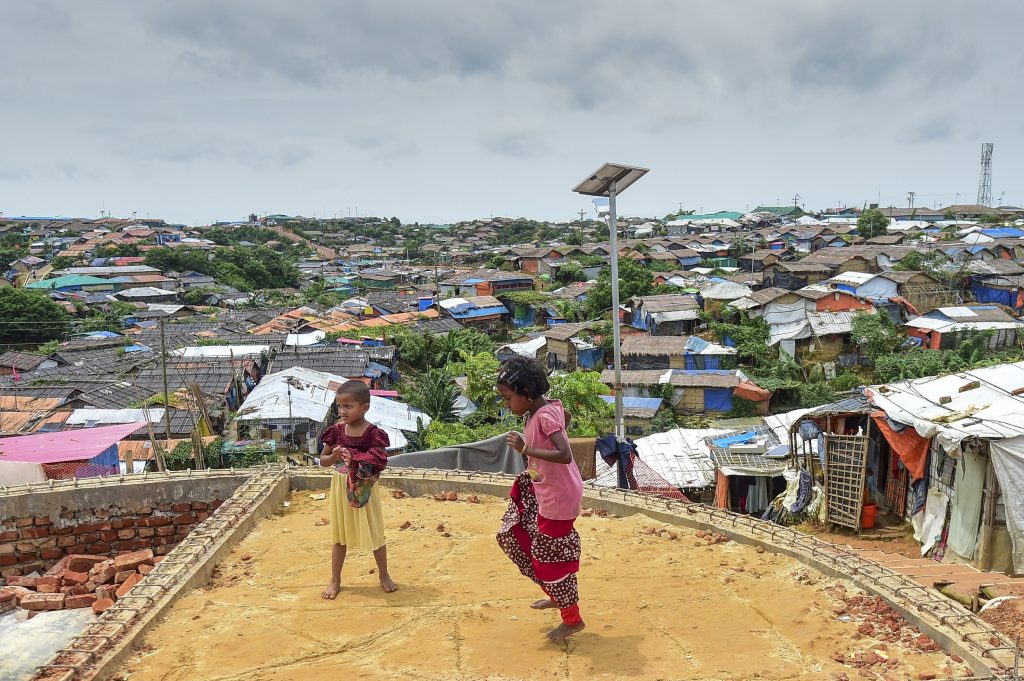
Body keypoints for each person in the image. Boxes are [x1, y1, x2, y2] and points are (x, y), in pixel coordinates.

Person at [494, 355, 585, 641]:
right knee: (536, 546)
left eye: (509, 399)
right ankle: (557, 596)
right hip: (552, 491)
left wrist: (526, 450)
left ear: (527, 394)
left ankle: (572, 618)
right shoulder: (548, 408)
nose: (507, 405)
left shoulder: (543, 414)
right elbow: (565, 417)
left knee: (547, 559)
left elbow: (565, 453)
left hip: (560, 497)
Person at [318, 380, 397, 597]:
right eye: (340, 406)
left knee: (375, 531)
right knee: (339, 535)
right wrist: (334, 456)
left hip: (364, 488)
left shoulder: (373, 433)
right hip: (339, 487)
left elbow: (380, 459)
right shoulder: (334, 431)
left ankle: (383, 574)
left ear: (365, 408)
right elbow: (323, 460)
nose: (342, 411)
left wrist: (356, 459)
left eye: (348, 406)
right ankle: (335, 580)